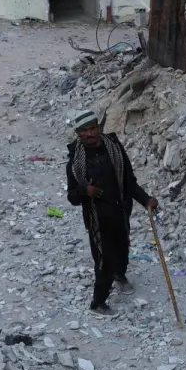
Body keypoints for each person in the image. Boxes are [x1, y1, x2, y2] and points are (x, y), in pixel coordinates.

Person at [65, 110, 158, 317]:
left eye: (92, 128)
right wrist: (84, 191)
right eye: (84, 131)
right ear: (78, 134)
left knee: (123, 248)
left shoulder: (114, 148)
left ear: (98, 127)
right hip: (97, 218)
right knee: (103, 260)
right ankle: (98, 303)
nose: (89, 134)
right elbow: (72, 197)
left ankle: (120, 274)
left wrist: (146, 200)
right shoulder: (75, 162)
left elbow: (129, 180)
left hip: (120, 210)